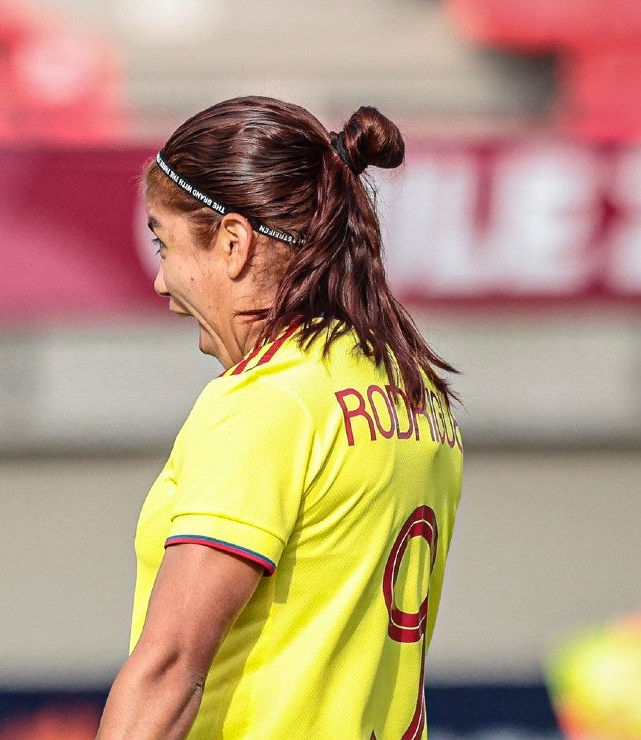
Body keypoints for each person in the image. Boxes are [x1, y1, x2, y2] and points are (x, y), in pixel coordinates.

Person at [97, 97, 463, 738]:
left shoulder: (268, 400)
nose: (161, 282)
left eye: (165, 243)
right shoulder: (414, 393)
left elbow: (170, 669)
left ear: (232, 244)